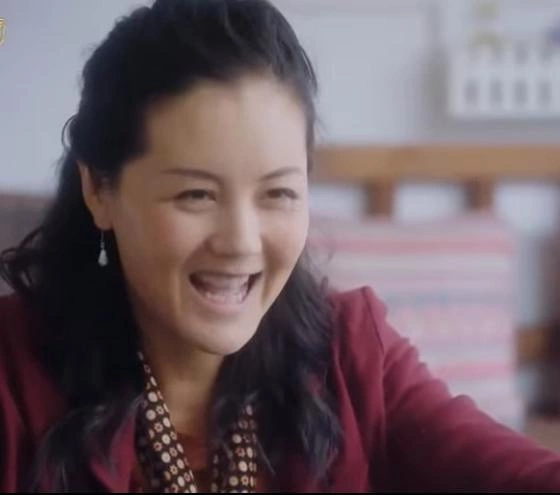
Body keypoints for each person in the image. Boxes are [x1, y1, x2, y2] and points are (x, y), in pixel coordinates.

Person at [2, 0, 560, 492]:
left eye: (278, 193)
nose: (242, 242)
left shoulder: (352, 355)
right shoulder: (13, 377)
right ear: (99, 189)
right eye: (196, 194)